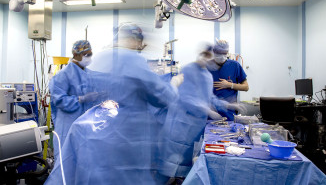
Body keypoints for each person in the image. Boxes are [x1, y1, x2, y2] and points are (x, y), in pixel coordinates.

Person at [45, 23, 180, 185]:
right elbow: (162, 96)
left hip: (93, 141)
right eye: (139, 42)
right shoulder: (131, 60)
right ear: (133, 39)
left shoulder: (99, 59)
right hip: (122, 145)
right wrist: (174, 83)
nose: (139, 47)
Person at [157, 47, 230, 183]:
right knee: (171, 160)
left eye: (210, 57)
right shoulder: (187, 69)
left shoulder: (207, 75)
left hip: (195, 125)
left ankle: (179, 180)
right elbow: (185, 97)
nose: (207, 59)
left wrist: (227, 105)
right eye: (205, 55)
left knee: (185, 161)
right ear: (200, 54)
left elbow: (210, 97)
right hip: (181, 122)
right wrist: (206, 110)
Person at [49, 40, 100, 161]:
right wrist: (81, 99)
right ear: (76, 54)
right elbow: (59, 100)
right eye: (86, 54)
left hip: (85, 127)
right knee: (67, 162)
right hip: (67, 127)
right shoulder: (62, 75)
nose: (89, 57)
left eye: (90, 54)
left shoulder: (88, 74)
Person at [207, 39, 249, 120]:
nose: (221, 55)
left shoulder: (234, 65)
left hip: (229, 112)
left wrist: (230, 85)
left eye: (224, 53)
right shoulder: (207, 66)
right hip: (211, 112)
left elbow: (246, 87)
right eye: (219, 53)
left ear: (227, 52)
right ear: (214, 52)